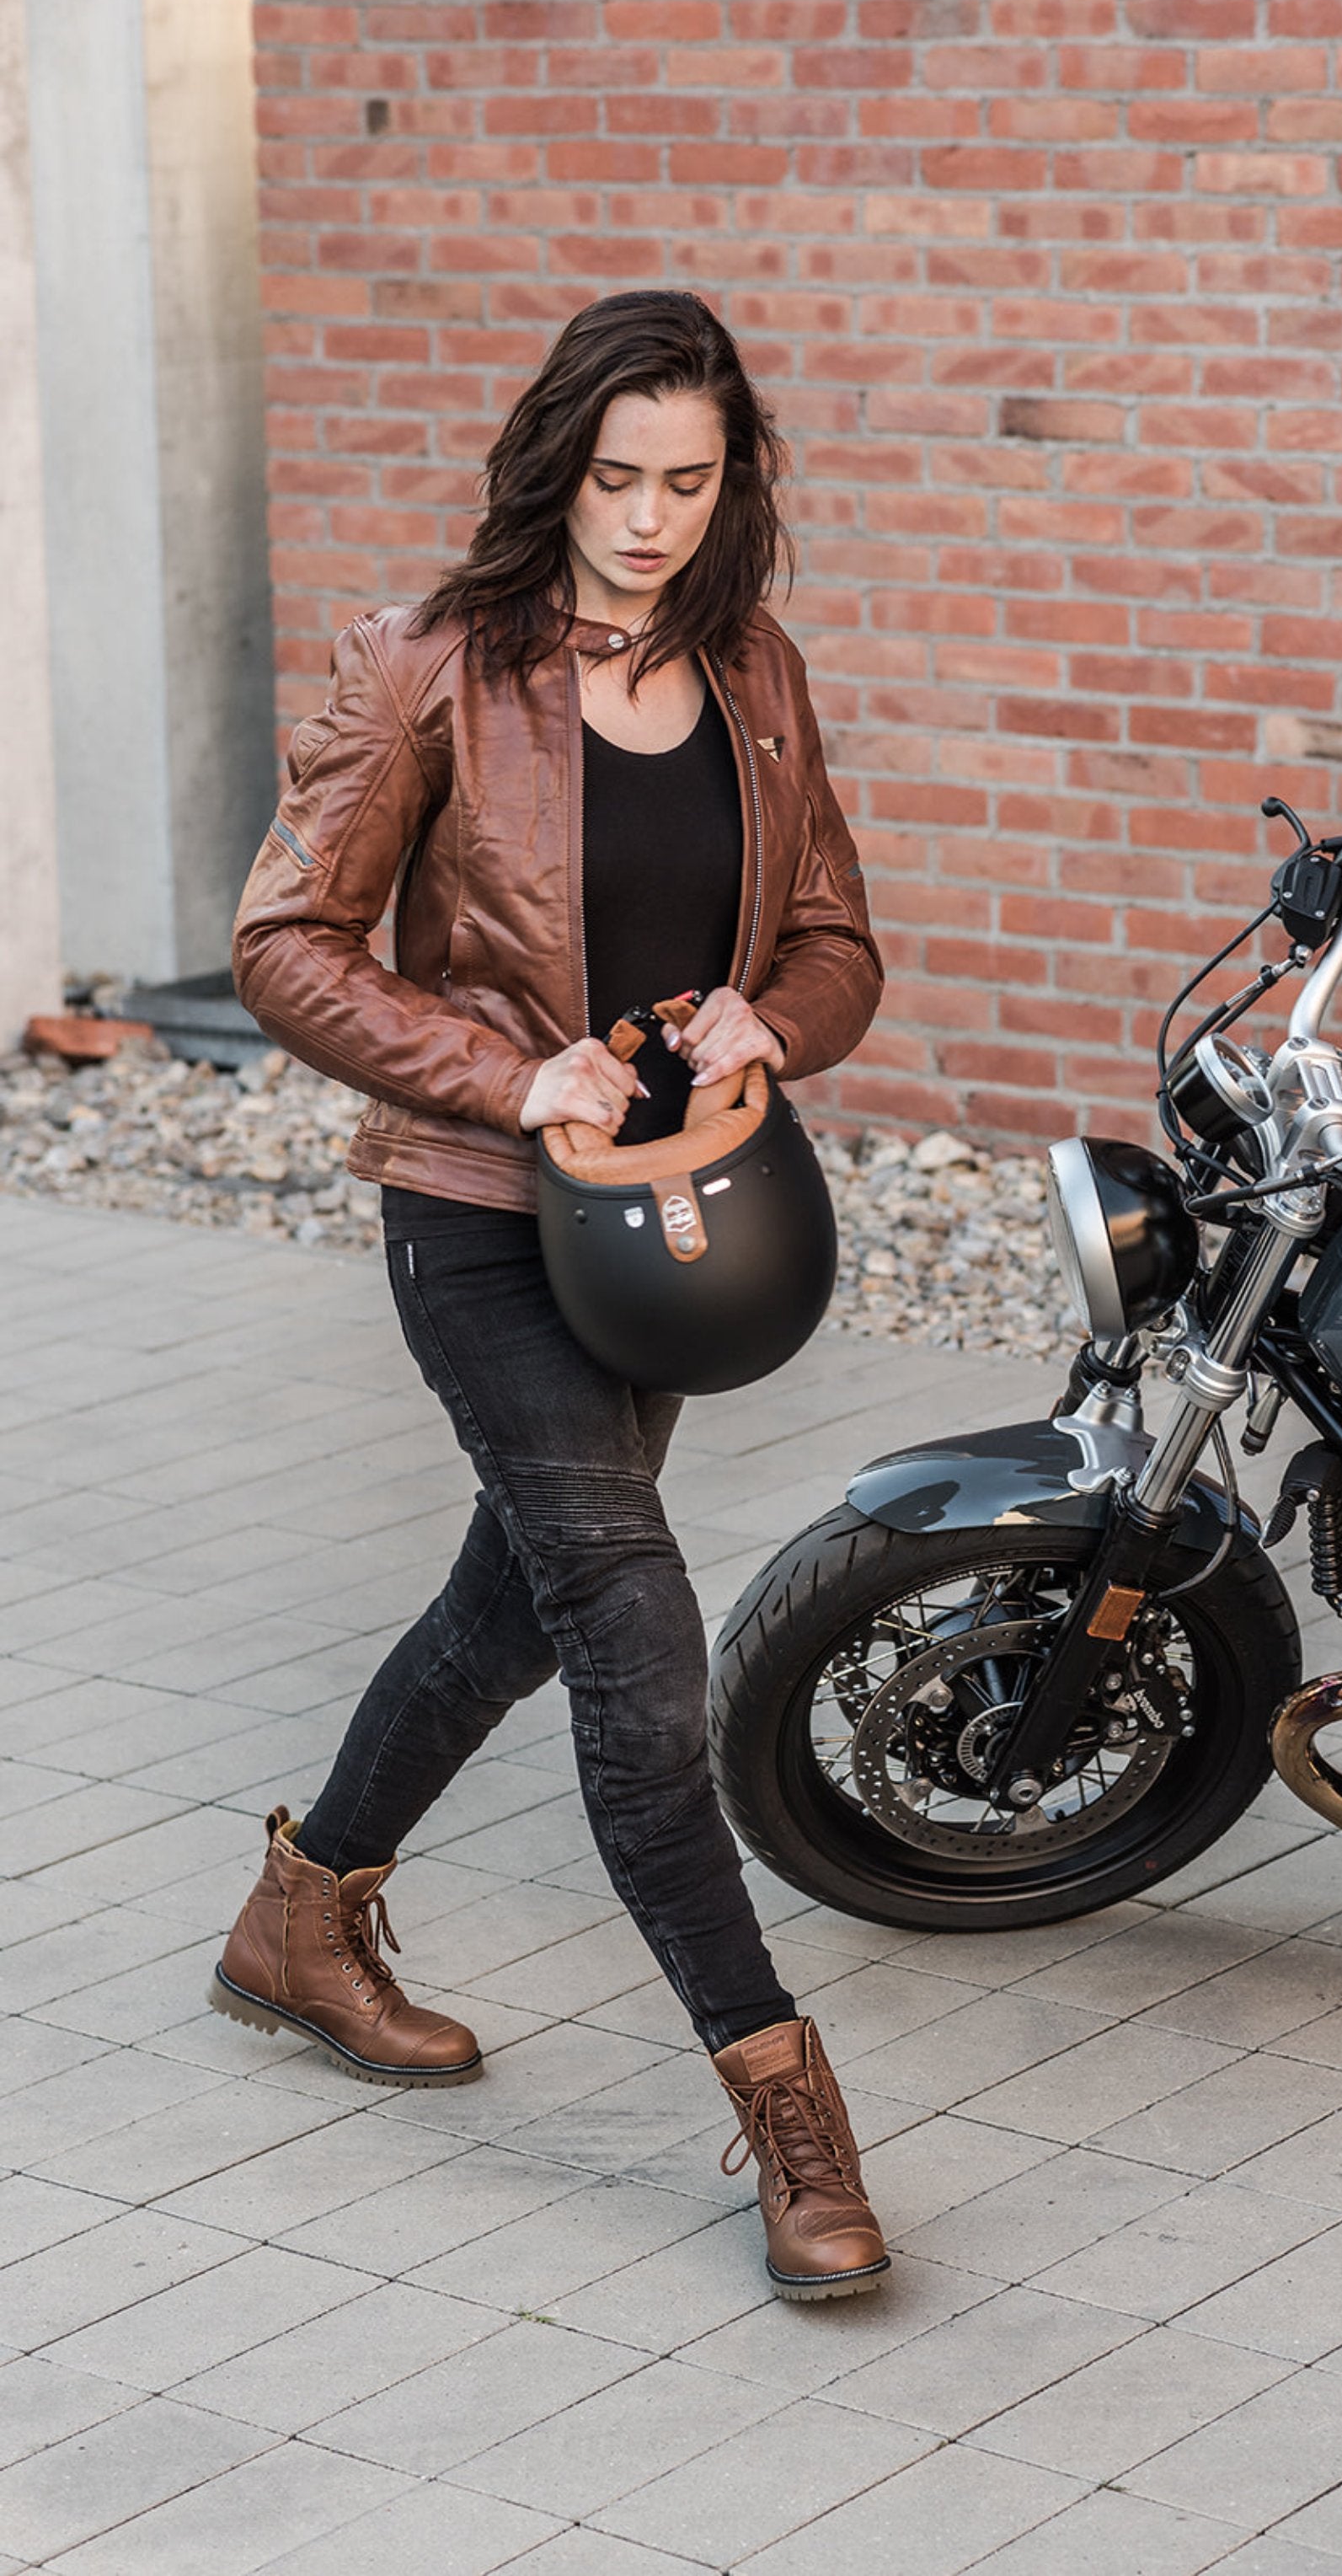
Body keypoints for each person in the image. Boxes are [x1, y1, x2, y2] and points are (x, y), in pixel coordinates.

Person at [209, 292, 889, 2302]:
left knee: (510, 1594)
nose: (650, 520)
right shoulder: (433, 664)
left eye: (689, 481)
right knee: (629, 1633)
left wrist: (780, 1010)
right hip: (483, 1210)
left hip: (664, 1230)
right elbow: (286, 940)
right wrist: (516, 1070)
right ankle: (786, 2107)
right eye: (616, 479)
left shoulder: (758, 676)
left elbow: (841, 933)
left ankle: (301, 1915)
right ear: (554, 463)